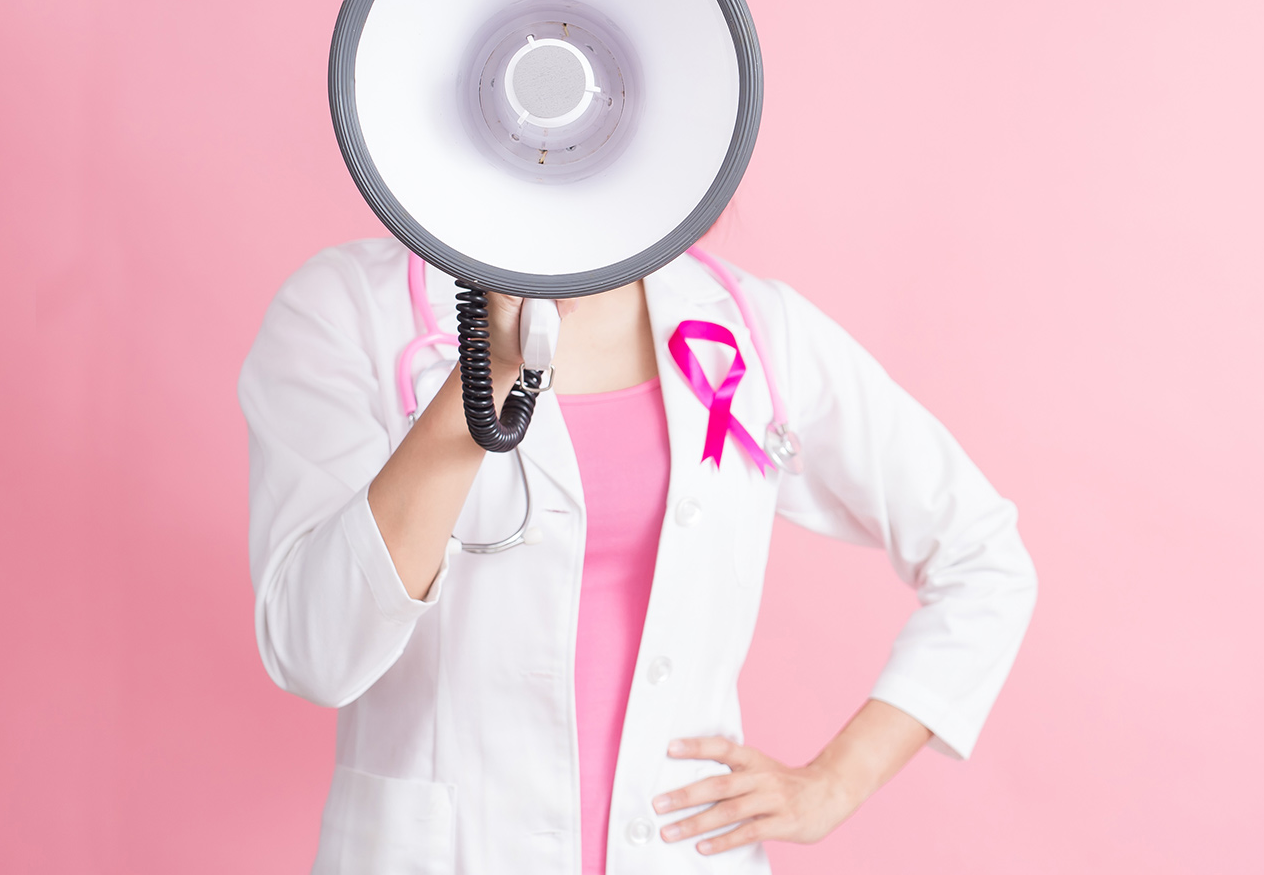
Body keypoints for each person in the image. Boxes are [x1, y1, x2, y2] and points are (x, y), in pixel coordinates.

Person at [240, 237, 1036, 873]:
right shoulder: (347, 311)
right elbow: (315, 654)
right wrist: (488, 367)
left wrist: (838, 781)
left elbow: (982, 554)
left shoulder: (748, 325)